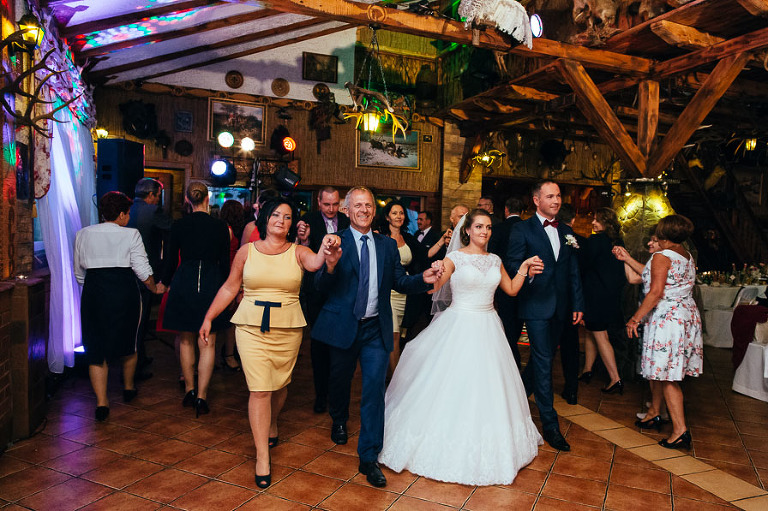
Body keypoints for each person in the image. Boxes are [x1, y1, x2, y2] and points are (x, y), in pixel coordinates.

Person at [379, 209, 544, 485]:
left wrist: (524, 269)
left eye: (488, 227)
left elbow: (512, 289)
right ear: (467, 230)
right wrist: (434, 274)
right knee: (452, 383)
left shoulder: (495, 260)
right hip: (458, 324)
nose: (484, 232)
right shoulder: (454, 258)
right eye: (479, 226)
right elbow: (434, 287)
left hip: (489, 327)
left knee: (488, 387)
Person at [200, 198, 341, 489]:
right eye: (276, 214)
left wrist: (327, 250)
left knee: (279, 385)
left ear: (292, 224)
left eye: (287, 217)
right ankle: (262, 455)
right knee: (260, 389)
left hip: (287, 329)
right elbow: (230, 286)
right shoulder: (246, 251)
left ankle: (273, 421)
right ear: (265, 218)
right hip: (251, 327)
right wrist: (209, 317)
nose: (281, 220)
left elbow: (316, 263)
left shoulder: (298, 251)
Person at [312, 186, 440, 488]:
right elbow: (319, 286)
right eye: (357, 205)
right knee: (339, 380)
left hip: (375, 328)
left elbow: (398, 281)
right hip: (344, 325)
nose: (364, 210)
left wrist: (422, 279)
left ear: (374, 209)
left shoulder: (386, 245)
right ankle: (339, 419)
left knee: (373, 389)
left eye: (368, 205)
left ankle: (369, 456)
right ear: (347, 210)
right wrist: (330, 265)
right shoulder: (335, 241)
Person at [506, 180, 584, 452]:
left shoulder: (566, 231)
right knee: (543, 362)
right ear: (536, 200)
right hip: (536, 305)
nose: (556, 200)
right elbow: (511, 262)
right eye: (550, 196)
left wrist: (578, 303)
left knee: (543, 359)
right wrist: (526, 270)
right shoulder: (522, 229)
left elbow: (573, 271)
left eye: (558, 196)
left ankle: (513, 402)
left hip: (561, 307)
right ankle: (550, 425)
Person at [74, 192, 164, 422]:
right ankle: (129, 387)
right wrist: (154, 288)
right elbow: (142, 270)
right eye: (128, 213)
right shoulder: (131, 234)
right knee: (130, 341)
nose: (129, 217)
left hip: (94, 292)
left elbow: (79, 273)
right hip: (124, 292)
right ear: (122, 214)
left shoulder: (83, 234)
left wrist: (93, 286)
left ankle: (102, 403)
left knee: (95, 346)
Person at [617, 215, 702, 448]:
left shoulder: (662, 256)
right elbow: (652, 275)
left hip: (668, 320)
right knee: (662, 371)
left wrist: (635, 319)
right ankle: (655, 412)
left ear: (664, 233)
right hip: (684, 316)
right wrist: (627, 258)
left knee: (668, 377)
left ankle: (680, 431)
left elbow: (655, 292)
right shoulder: (685, 255)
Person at [161, 181, 230, 417]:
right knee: (208, 342)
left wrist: (164, 282)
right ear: (207, 198)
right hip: (211, 280)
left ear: (188, 200)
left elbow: (171, 259)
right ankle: (202, 396)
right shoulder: (220, 226)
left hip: (185, 280)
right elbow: (225, 262)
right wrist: (228, 289)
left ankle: (189, 390)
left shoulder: (179, 225)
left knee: (186, 339)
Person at [300, 186, 350, 414]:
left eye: (335, 204)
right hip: (317, 291)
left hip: (341, 288)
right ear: (318, 202)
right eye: (327, 204)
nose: (331, 209)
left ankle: (336, 393)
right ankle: (321, 395)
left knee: (339, 344)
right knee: (319, 344)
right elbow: (302, 253)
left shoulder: (347, 221)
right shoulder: (308, 221)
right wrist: (304, 240)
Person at [615, 227, 669, 422]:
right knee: (654, 368)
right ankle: (657, 406)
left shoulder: (662, 260)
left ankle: (658, 410)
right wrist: (624, 258)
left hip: (660, 319)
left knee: (657, 369)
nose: (649, 244)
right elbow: (633, 278)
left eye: (654, 240)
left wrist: (635, 319)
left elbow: (651, 285)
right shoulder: (656, 261)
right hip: (653, 319)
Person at [127, 177, 172, 381]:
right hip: (145, 270)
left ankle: (140, 357)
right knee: (141, 320)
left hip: (125, 271)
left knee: (133, 319)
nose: (158, 200)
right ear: (151, 194)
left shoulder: (126, 209)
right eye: (158, 196)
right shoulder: (153, 211)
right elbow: (172, 230)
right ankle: (135, 368)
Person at [578, 207, 627, 395]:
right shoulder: (618, 241)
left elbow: (584, 264)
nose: (593, 223)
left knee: (600, 334)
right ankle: (587, 370)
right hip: (611, 294)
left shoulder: (595, 240)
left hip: (596, 295)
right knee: (591, 330)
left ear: (606, 222)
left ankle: (615, 379)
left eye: (597, 220)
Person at [374, 200, 426, 371]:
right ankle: (395, 379)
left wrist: (442, 242)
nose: (399, 216)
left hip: (405, 292)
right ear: (387, 217)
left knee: (402, 336)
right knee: (393, 335)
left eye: (401, 213)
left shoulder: (408, 238)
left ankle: (391, 373)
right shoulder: (379, 237)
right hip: (387, 292)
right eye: (394, 213)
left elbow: (425, 256)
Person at [553, 203, 585, 405]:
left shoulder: (570, 240)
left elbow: (576, 273)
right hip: (570, 302)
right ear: (573, 219)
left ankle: (569, 389)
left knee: (559, 347)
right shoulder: (580, 241)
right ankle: (571, 389)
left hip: (566, 303)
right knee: (569, 348)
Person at [488, 195, 526, 367]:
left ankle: (510, 355)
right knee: (517, 321)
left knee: (506, 321)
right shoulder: (527, 228)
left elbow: (491, 255)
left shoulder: (498, 229)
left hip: (502, 282)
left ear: (506, 210)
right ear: (522, 211)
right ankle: (512, 354)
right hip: (522, 282)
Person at [218, 199, 246, 372]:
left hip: (230, 274)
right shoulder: (228, 231)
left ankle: (226, 354)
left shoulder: (230, 230)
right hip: (229, 275)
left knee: (229, 319)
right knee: (230, 320)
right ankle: (228, 355)